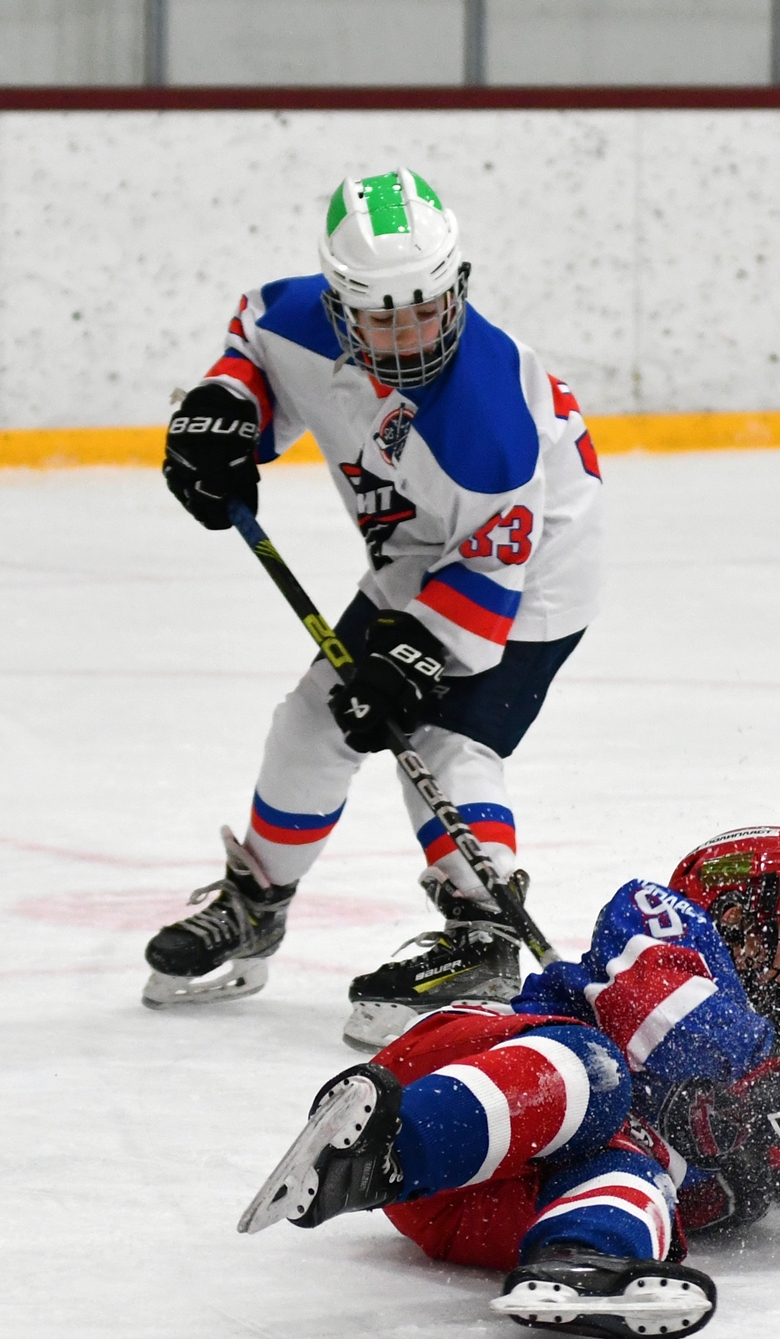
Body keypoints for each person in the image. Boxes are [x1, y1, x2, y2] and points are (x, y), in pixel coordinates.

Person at [142, 167, 605, 1045]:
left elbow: (494, 560)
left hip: (534, 564)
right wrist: (224, 407)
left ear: (457, 285)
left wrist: (415, 659)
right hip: (419, 547)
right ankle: (254, 902)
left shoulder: (485, 419)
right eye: (385, 320)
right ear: (340, 306)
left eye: (428, 310)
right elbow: (253, 342)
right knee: (312, 722)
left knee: (443, 739)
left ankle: (485, 935)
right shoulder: (299, 317)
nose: (412, 336)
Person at [239, 827, 780, 1339]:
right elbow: (669, 1018)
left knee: (640, 1171)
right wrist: (762, 1089)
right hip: (452, 1087)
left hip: (477, 1209)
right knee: (596, 1072)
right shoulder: (664, 918)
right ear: (738, 916)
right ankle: (378, 1150)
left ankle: (579, 1263)